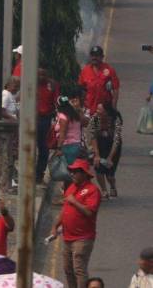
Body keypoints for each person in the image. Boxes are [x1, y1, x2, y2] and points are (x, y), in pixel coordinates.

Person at [50, 159, 101, 288]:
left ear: (84, 174)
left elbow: (90, 212)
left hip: (82, 238)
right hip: (68, 237)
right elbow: (65, 210)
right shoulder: (71, 187)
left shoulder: (92, 191)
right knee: (68, 269)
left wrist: (75, 202)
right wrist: (55, 226)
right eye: (71, 171)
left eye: (75, 171)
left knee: (79, 269)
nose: (72, 174)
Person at [87, 101, 123, 200]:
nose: (97, 111)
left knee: (110, 175)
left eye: (100, 110)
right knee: (98, 169)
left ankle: (112, 186)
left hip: (113, 147)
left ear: (106, 112)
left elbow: (116, 140)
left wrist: (110, 158)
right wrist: (97, 155)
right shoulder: (95, 119)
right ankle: (104, 190)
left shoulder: (116, 120)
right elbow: (93, 137)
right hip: (100, 145)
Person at [79, 46, 120, 115]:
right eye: (92, 55)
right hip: (89, 109)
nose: (94, 58)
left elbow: (115, 90)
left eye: (97, 55)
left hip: (104, 110)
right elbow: (81, 90)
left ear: (102, 57)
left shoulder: (109, 70)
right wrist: (81, 107)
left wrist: (114, 107)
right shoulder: (85, 71)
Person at [55, 91, 88, 168]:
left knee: (67, 172)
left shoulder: (63, 116)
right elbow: (85, 123)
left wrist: (59, 148)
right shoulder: (75, 114)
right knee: (74, 170)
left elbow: (62, 134)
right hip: (77, 145)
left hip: (68, 147)